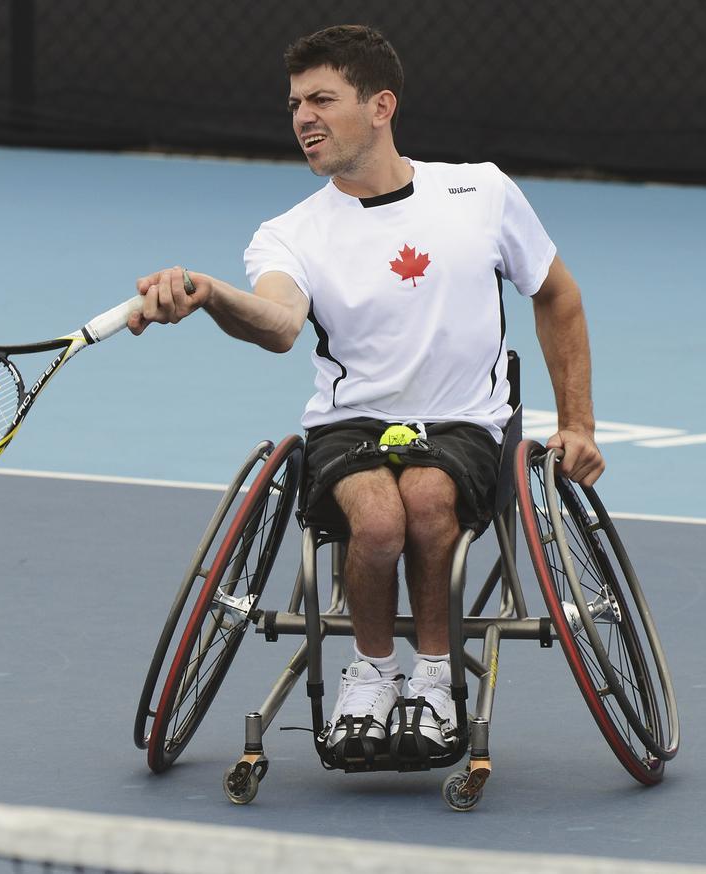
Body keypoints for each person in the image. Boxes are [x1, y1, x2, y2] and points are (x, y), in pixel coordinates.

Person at [128, 24, 604, 759]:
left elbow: (558, 296)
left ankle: (438, 681)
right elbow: (282, 324)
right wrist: (212, 294)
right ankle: (375, 676)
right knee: (378, 521)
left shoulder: (480, 191)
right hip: (350, 425)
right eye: (294, 105)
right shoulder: (289, 234)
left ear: (380, 106)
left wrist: (578, 422)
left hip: (466, 422)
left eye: (321, 99)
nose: (302, 119)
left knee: (427, 495)